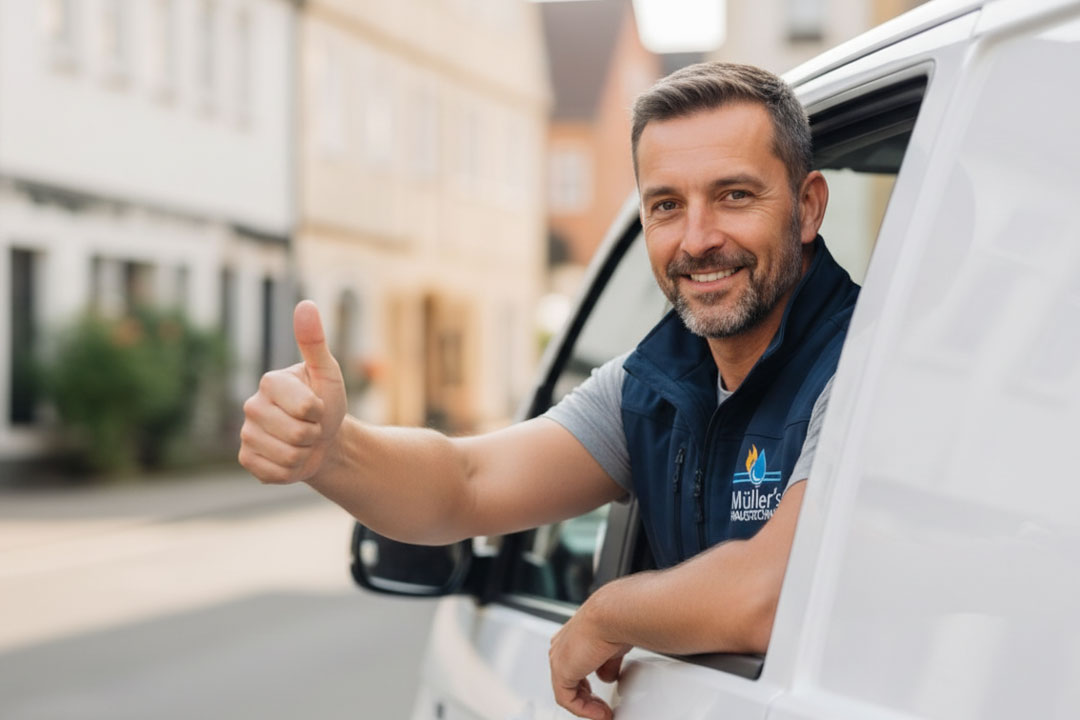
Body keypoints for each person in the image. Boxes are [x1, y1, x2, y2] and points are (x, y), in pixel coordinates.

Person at [238, 62, 858, 720]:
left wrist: (610, 613)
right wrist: (330, 451)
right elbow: (467, 481)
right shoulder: (650, 384)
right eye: (666, 205)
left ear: (808, 206)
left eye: (734, 195)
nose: (697, 239)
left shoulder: (864, 366)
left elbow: (770, 595)